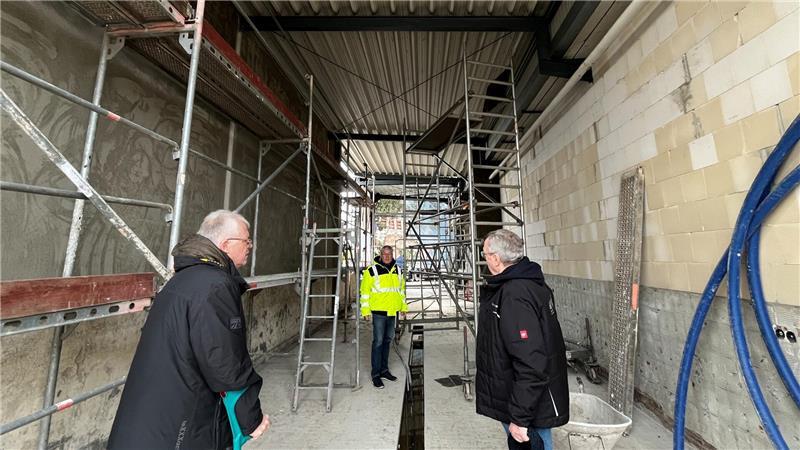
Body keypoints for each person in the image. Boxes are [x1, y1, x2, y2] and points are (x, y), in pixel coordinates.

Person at [108, 210, 270, 449]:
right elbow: (225, 362)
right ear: (226, 244)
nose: (250, 247)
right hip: (180, 420)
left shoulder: (184, 280)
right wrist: (250, 420)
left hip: (153, 416)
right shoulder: (215, 285)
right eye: (246, 241)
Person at [475, 229, 569, 450]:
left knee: (534, 442)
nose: (485, 259)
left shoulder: (514, 293)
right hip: (523, 394)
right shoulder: (528, 281)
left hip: (525, 400)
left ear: (496, 258)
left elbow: (531, 360)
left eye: (485, 254)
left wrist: (519, 417)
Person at [360, 245, 407, 389]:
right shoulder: (371, 271)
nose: (386, 256)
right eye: (384, 254)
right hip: (379, 313)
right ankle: (376, 375)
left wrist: (403, 308)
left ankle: (384, 370)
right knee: (378, 342)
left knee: (387, 341)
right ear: (380, 255)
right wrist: (366, 311)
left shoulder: (398, 271)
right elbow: (365, 292)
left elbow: (401, 291)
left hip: (392, 312)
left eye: (389, 254)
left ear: (392, 255)